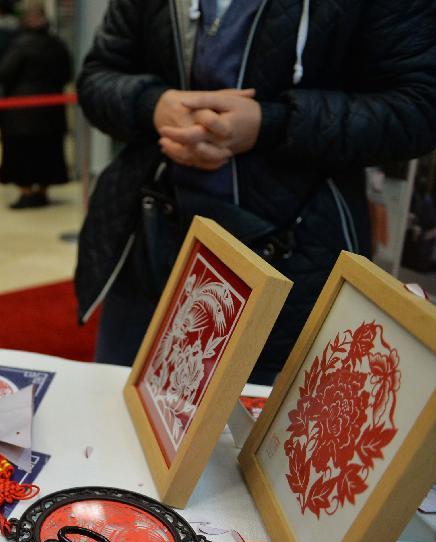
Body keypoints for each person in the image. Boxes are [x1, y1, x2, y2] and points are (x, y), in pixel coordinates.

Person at [75, 0, 436, 381]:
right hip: (148, 242)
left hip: (295, 257)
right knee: (124, 413)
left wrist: (272, 124)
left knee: (258, 430)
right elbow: (97, 76)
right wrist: (154, 105)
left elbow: (418, 107)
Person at [0, 1, 71, 209]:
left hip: (22, 113)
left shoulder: (20, 45)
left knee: (23, 154)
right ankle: (43, 191)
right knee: (49, 152)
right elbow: (67, 73)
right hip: (52, 111)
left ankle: (27, 193)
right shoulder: (57, 44)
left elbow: (3, 73)